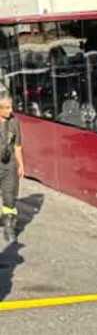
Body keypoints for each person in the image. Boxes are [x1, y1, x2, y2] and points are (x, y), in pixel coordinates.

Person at [0, 94, 24, 242]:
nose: (11, 110)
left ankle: (9, 227)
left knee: (9, 197)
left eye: (11, 107)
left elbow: (18, 146)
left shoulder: (14, 122)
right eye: (7, 107)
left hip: (9, 165)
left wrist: (21, 165)